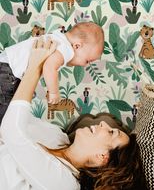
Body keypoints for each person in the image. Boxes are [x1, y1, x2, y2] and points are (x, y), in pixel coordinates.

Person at [0, 38, 146, 190]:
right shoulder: (57, 137)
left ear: (103, 156)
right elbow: (10, 114)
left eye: (111, 132)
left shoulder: (65, 183)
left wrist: (35, 67)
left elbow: (12, 131)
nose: (104, 123)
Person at [0, 21, 104, 124]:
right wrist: (54, 92)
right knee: (8, 112)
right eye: (87, 61)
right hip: (9, 71)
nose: (86, 65)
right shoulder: (67, 49)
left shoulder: (58, 37)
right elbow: (49, 67)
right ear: (77, 46)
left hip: (6, 65)